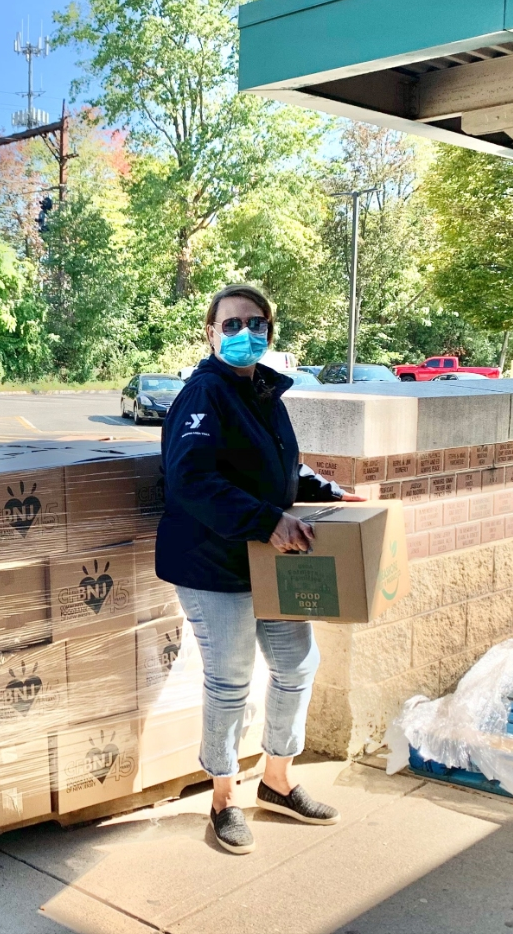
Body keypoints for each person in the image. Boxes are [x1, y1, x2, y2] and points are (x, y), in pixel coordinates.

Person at [155, 284, 365, 855]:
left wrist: (327, 491)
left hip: (267, 560)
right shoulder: (203, 394)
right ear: (210, 332)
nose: (244, 333)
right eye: (230, 324)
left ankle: (277, 779)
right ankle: (224, 797)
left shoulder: (264, 394)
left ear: (270, 331)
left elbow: (280, 470)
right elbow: (191, 481)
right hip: (212, 563)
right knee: (231, 681)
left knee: (298, 663)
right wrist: (265, 521)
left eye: (255, 323)